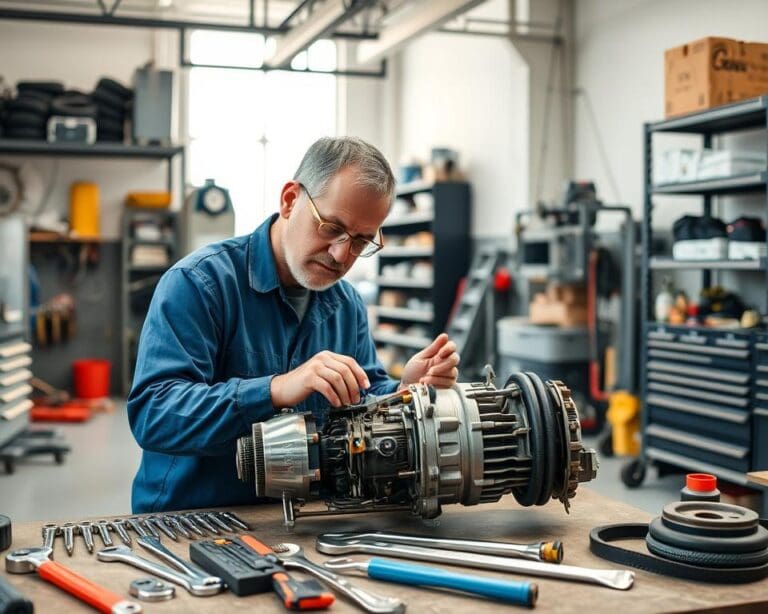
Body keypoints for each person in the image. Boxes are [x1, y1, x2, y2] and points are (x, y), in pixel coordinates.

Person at [128, 137, 460, 513]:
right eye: (331, 227)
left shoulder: (346, 305)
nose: (341, 254)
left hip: (299, 519)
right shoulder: (199, 284)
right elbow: (154, 415)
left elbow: (360, 399)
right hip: (191, 518)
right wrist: (275, 390)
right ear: (289, 200)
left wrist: (402, 392)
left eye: (361, 241)